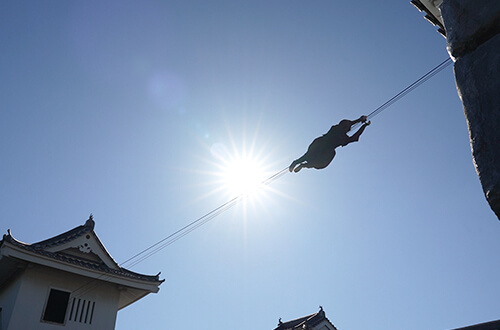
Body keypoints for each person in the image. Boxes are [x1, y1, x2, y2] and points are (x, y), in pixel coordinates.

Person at [289, 115, 371, 173]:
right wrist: (361, 122)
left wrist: (363, 124)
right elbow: (351, 131)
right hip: (323, 144)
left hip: (325, 148)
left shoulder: (340, 133)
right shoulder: (337, 130)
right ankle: (298, 163)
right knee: (311, 156)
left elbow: (354, 136)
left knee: (315, 160)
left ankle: (301, 165)